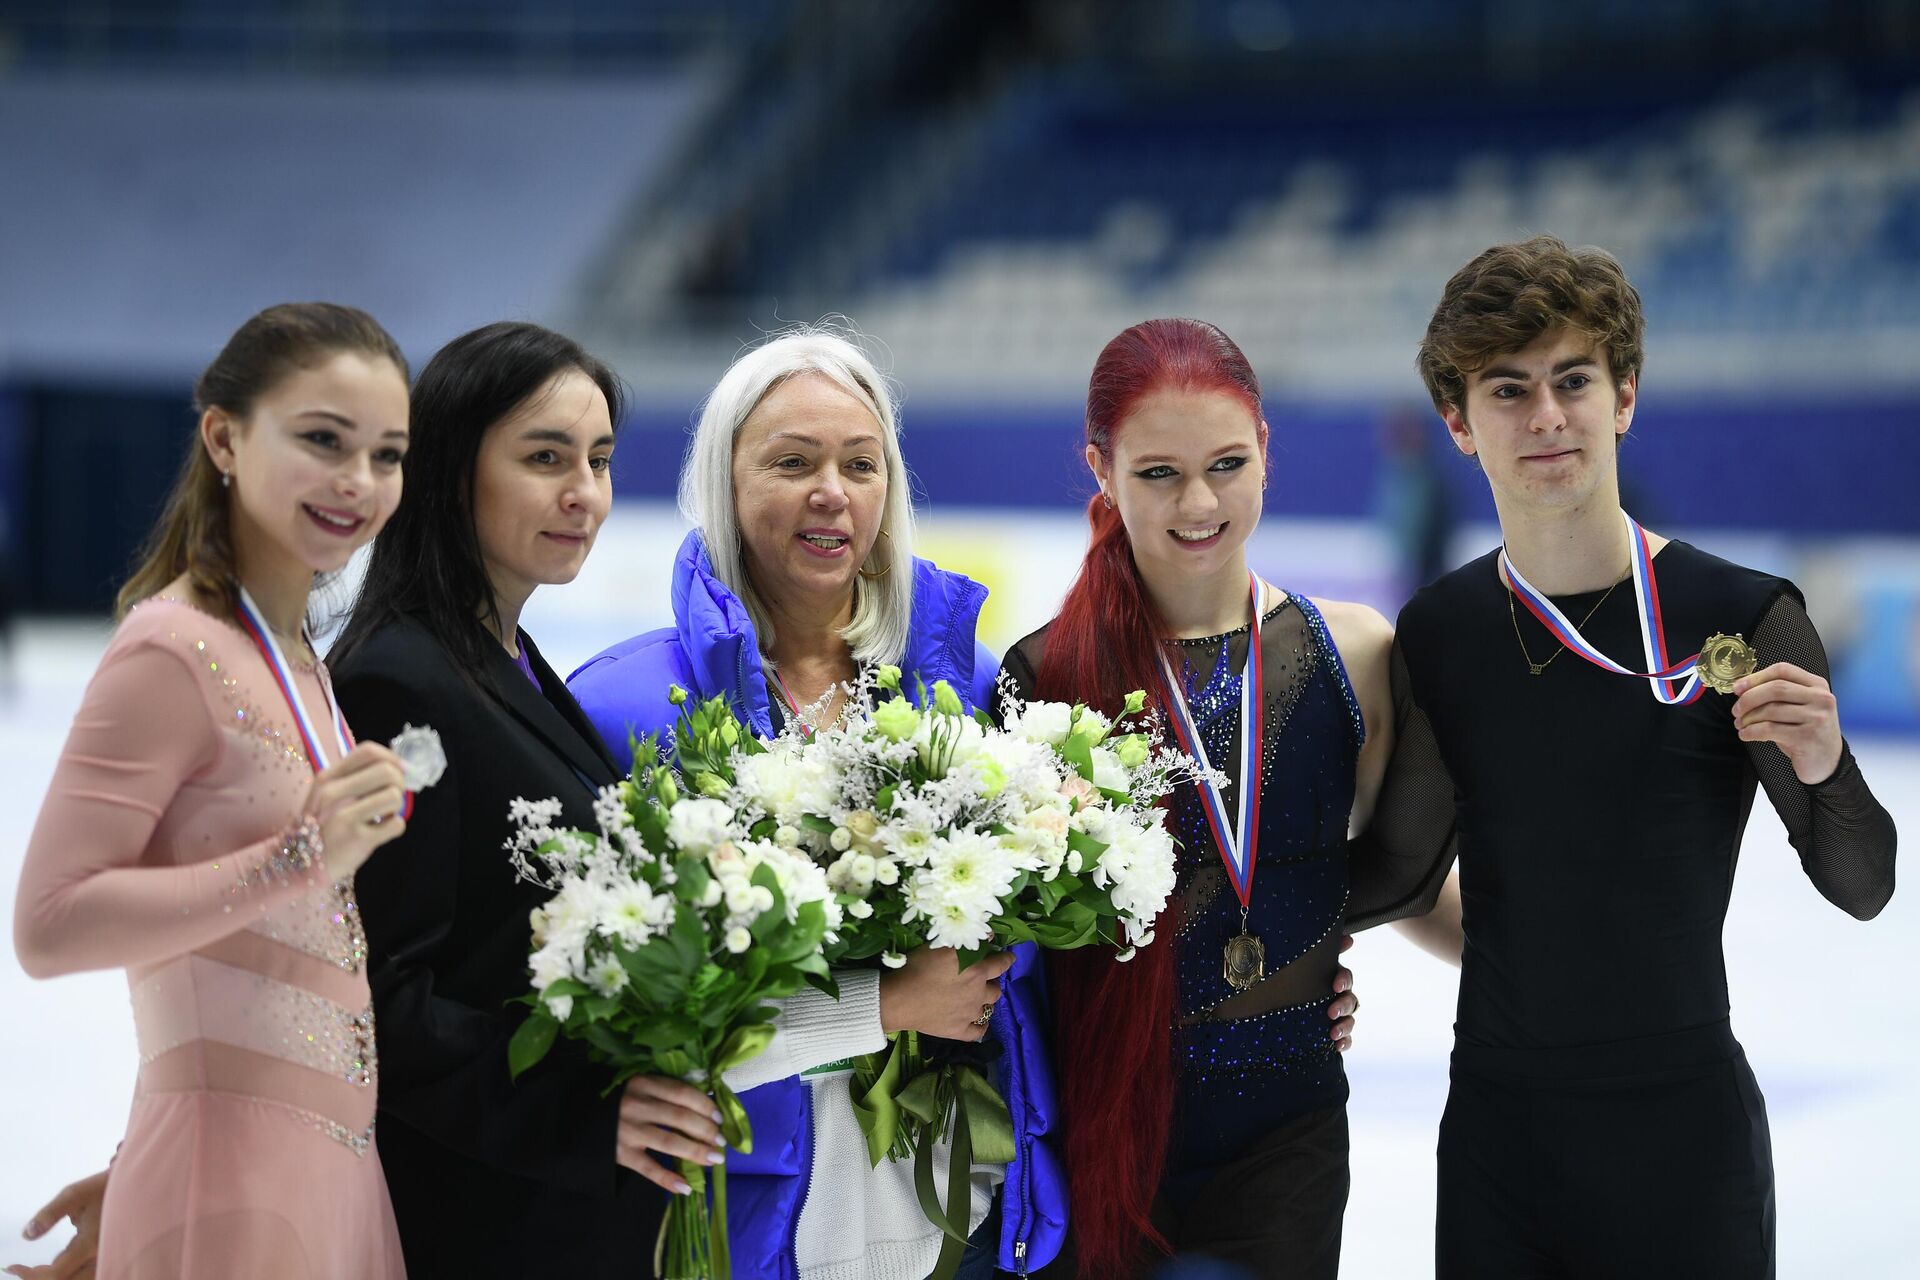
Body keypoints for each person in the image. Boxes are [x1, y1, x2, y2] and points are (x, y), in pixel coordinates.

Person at [1361, 235, 1898, 1278]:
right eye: (1509, 390)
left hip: (1683, 1136)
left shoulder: (1742, 614)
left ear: (1626, 398)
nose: (1548, 415)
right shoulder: (1440, 631)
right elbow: (1395, 872)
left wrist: (1829, 765)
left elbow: (1864, 884)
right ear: (1459, 426)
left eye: (1573, 380)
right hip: (1497, 1141)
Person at [568, 326, 1061, 1280]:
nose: (831, 490)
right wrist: (880, 1005)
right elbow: (615, 1024)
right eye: (792, 462)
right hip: (727, 1228)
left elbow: (1024, 971)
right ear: (725, 482)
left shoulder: (965, 695)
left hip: (950, 1225)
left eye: (860, 463)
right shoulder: (620, 709)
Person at [996, 318, 1419, 1280]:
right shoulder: (1044, 679)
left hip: (1288, 1132)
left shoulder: (1353, 654)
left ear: (1267, 450)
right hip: (1100, 1125)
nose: (1199, 501)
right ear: (1100, 468)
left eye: (1227, 463)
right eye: (1158, 474)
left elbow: (1415, 873)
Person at [11, 303, 414, 1279]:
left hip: (330, 1174)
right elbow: (49, 925)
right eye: (323, 439)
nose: (358, 481)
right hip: (232, 1181)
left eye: (388, 453)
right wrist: (297, 858)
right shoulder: (172, 648)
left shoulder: (297, 656)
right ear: (224, 437)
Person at [324, 322, 723, 1277]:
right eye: (546, 458)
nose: (584, 492)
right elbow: (379, 999)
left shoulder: (506, 656)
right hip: (476, 1220)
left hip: (557, 1218)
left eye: (599, 459)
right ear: (450, 468)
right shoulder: (399, 683)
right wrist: (584, 1113)